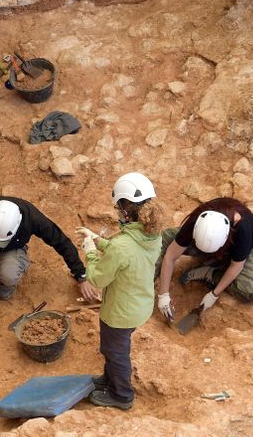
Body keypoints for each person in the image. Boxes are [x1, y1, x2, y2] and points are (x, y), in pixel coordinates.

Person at [76, 173, 163, 410]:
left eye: (119, 207)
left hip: (119, 312)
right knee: (114, 348)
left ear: (126, 210)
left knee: (115, 352)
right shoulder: (153, 234)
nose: (118, 212)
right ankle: (109, 379)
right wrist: (99, 240)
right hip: (140, 304)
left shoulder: (122, 246)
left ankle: (122, 396)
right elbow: (124, 253)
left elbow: (97, 278)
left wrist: (90, 250)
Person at [0, 197, 97, 315]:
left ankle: (8, 276)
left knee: (9, 275)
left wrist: (81, 276)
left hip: (11, 249)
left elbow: (62, 242)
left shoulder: (31, 217)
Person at [156, 197, 253, 324]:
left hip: (243, 249)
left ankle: (209, 273)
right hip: (206, 245)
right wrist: (163, 295)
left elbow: (236, 266)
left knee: (249, 290)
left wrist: (213, 295)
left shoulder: (244, 229)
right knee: (165, 239)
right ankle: (143, 284)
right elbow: (170, 256)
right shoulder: (198, 221)